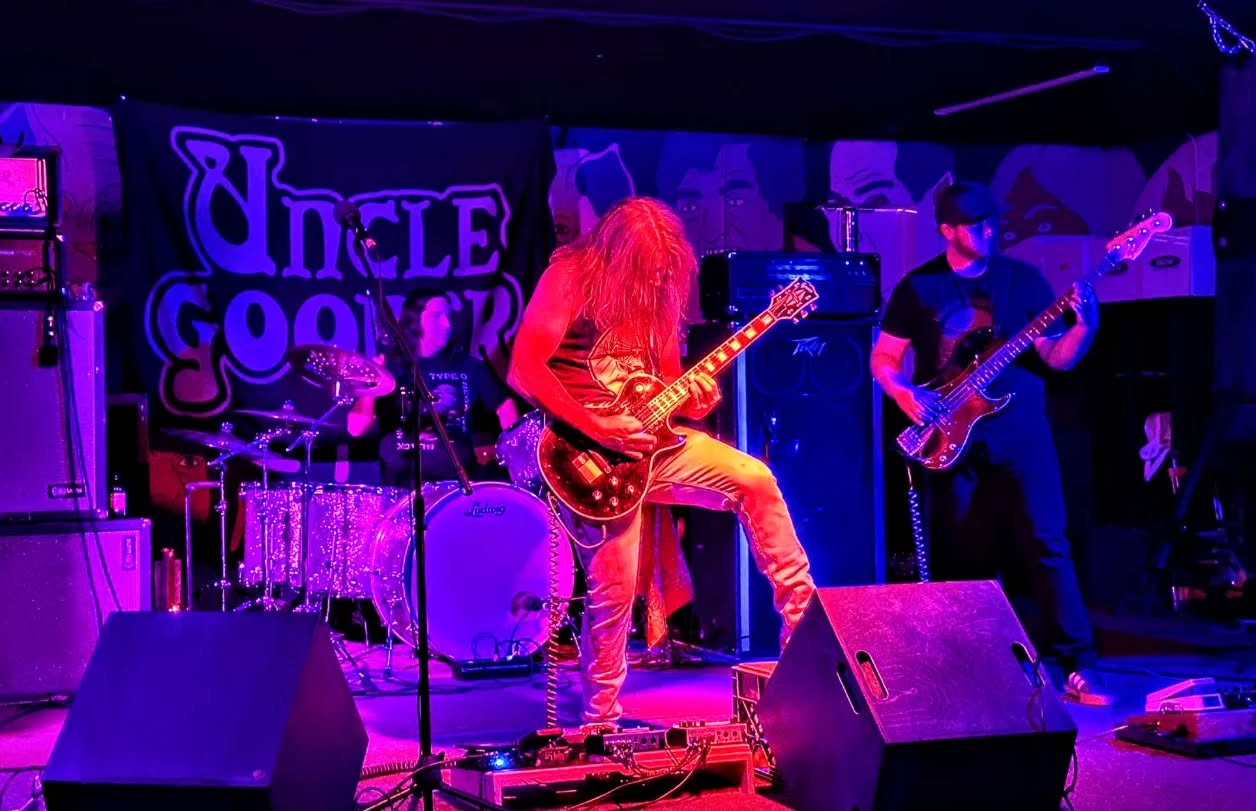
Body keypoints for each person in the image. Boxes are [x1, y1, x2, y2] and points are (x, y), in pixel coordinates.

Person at [507, 196, 816, 727]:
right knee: (614, 588)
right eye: (645, 268)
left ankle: (804, 630)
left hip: (654, 445)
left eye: (662, 269)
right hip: (587, 456)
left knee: (755, 479)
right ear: (615, 254)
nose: (654, 279)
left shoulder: (659, 293)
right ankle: (601, 721)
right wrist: (596, 425)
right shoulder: (569, 279)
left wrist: (695, 399)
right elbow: (524, 371)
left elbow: (669, 387)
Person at [869, 180, 1115, 706]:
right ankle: (972, 667)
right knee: (963, 554)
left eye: (992, 221)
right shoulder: (919, 287)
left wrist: (1084, 328)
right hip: (951, 435)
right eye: (976, 224)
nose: (989, 230)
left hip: (1022, 434)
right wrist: (906, 394)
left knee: (1048, 543)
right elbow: (884, 360)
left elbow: (1056, 358)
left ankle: (1079, 664)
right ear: (947, 230)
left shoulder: (1023, 281)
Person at [347, 288, 520, 485]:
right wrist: (371, 384)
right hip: (402, 486)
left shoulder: (468, 365)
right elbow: (356, 428)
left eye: (449, 317)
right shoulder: (390, 366)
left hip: (458, 486)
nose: (447, 324)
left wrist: (514, 452)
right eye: (437, 316)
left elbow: (505, 405)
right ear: (415, 320)